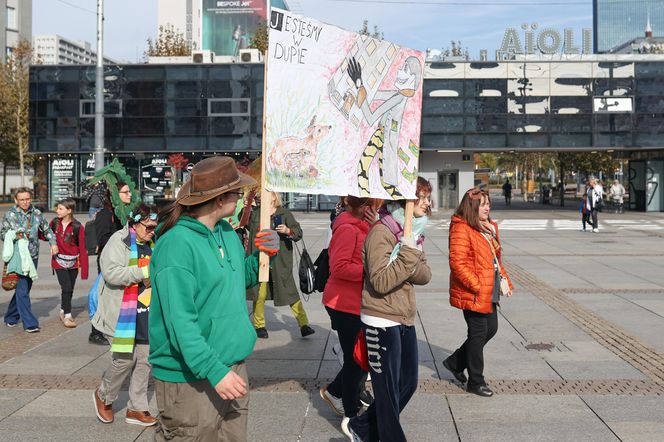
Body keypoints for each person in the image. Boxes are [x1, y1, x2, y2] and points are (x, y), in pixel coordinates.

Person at [148, 156, 280, 441]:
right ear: (220, 199)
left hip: (232, 367)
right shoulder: (176, 245)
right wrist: (214, 371)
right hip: (190, 379)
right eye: (237, 192)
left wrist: (262, 257)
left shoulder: (226, 234)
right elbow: (180, 323)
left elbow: (236, 280)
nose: (241, 196)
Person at [342, 177, 432, 442]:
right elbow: (380, 281)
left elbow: (425, 274)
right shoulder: (381, 232)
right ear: (406, 200)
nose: (427, 203)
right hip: (380, 319)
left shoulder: (412, 232)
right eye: (423, 197)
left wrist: (407, 255)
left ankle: (361, 427)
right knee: (387, 391)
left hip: (403, 315)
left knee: (408, 383)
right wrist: (407, 256)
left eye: (427, 197)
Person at [443, 187, 513, 399]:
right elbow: (457, 263)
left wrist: (505, 280)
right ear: (472, 207)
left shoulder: (488, 227)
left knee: (491, 328)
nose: (487, 207)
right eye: (483, 204)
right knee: (478, 333)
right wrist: (477, 285)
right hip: (474, 291)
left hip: (489, 289)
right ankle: (476, 381)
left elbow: (495, 258)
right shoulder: (461, 228)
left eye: (488, 203)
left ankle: (455, 362)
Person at [92, 204, 159, 426]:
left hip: (146, 312)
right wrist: (144, 272)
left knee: (145, 360)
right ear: (135, 223)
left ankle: (137, 408)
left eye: (154, 227)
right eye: (148, 227)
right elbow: (111, 273)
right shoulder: (118, 241)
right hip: (121, 313)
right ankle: (104, 396)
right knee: (124, 360)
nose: (151, 231)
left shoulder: (153, 242)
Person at [320, 196, 380, 419]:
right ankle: (351, 411)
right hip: (343, 303)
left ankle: (335, 392)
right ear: (357, 206)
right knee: (357, 359)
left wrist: (376, 227)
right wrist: (369, 271)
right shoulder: (346, 228)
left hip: (358, 302)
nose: (372, 208)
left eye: (373, 204)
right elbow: (339, 268)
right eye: (368, 204)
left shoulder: (365, 225)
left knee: (360, 357)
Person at [247, 191, 315, 339]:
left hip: (280, 259)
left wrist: (287, 230)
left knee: (290, 291)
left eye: (265, 192)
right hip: (260, 258)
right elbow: (241, 221)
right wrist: (248, 202)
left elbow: (298, 232)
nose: (261, 195)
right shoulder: (255, 213)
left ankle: (304, 324)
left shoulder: (284, 213)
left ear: (273, 196)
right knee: (260, 293)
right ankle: (260, 326)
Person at [1, 187, 58, 332]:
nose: (25, 202)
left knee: (24, 288)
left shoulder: (37, 213)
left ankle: (10, 317)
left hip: (33, 256)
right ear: (16, 200)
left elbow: (47, 230)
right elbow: (2, 233)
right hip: (17, 257)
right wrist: (13, 235)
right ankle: (30, 323)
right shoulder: (10, 215)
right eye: (22, 200)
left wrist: (53, 243)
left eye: (27, 199)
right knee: (23, 289)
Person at [89, 181, 133, 345]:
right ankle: (96, 331)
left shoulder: (125, 213)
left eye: (129, 192)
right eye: (125, 192)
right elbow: (103, 239)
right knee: (102, 295)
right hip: (109, 261)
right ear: (115, 195)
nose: (129, 195)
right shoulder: (105, 215)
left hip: (123, 260)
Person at [50, 198, 89, 328]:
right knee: (66, 287)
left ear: (69, 210)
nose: (57, 211)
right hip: (58, 261)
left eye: (61, 209)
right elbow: (45, 235)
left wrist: (84, 270)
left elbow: (83, 248)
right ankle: (67, 315)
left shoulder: (78, 226)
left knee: (70, 289)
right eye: (57, 208)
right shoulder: (54, 223)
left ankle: (63, 309)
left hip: (73, 262)